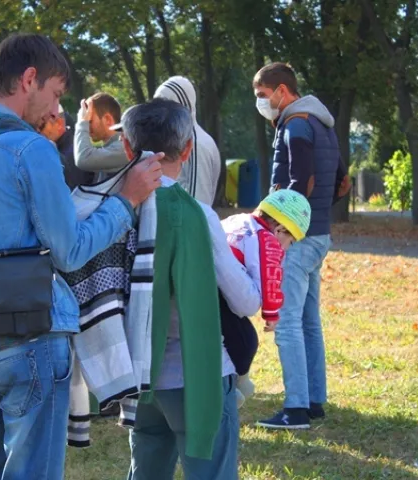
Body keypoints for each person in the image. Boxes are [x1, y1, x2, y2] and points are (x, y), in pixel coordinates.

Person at [0, 33, 162, 480]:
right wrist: (126, 201)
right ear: (29, 79)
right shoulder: (30, 149)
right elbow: (71, 250)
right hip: (29, 331)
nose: (53, 108)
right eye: (54, 93)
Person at [114, 98, 259, 480]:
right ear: (189, 150)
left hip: (139, 375)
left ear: (127, 148)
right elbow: (245, 301)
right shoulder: (197, 214)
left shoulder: (111, 210)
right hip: (197, 376)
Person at [252, 62, 349, 429]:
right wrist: (320, 215)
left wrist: (284, 228)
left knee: (288, 321)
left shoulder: (295, 125)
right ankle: (313, 400)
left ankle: (294, 410)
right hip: (320, 235)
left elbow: (301, 179)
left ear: (281, 90)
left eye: (263, 95)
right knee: (309, 320)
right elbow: (343, 182)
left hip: (299, 237)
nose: (262, 103)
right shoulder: (323, 124)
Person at [219, 189, 312, 407]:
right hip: (223, 297)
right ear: (280, 229)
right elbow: (270, 277)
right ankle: (233, 388)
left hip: (208, 289)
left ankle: (232, 385)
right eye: (291, 240)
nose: (287, 247)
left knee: (225, 341)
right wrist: (271, 314)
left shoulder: (236, 220)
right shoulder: (267, 241)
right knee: (246, 342)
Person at [153, 76, 221, 206]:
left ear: (181, 105)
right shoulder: (183, 139)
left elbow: (198, 203)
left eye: (165, 104)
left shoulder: (195, 144)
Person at [74, 92, 127, 181]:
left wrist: (82, 122)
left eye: (89, 120)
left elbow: (83, 159)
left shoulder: (124, 147)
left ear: (107, 119)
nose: (87, 126)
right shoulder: (114, 146)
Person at [39, 104, 93, 189]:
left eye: (41, 126)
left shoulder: (72, 155)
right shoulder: (66, 148)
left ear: (59, 124)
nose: (36, 131)